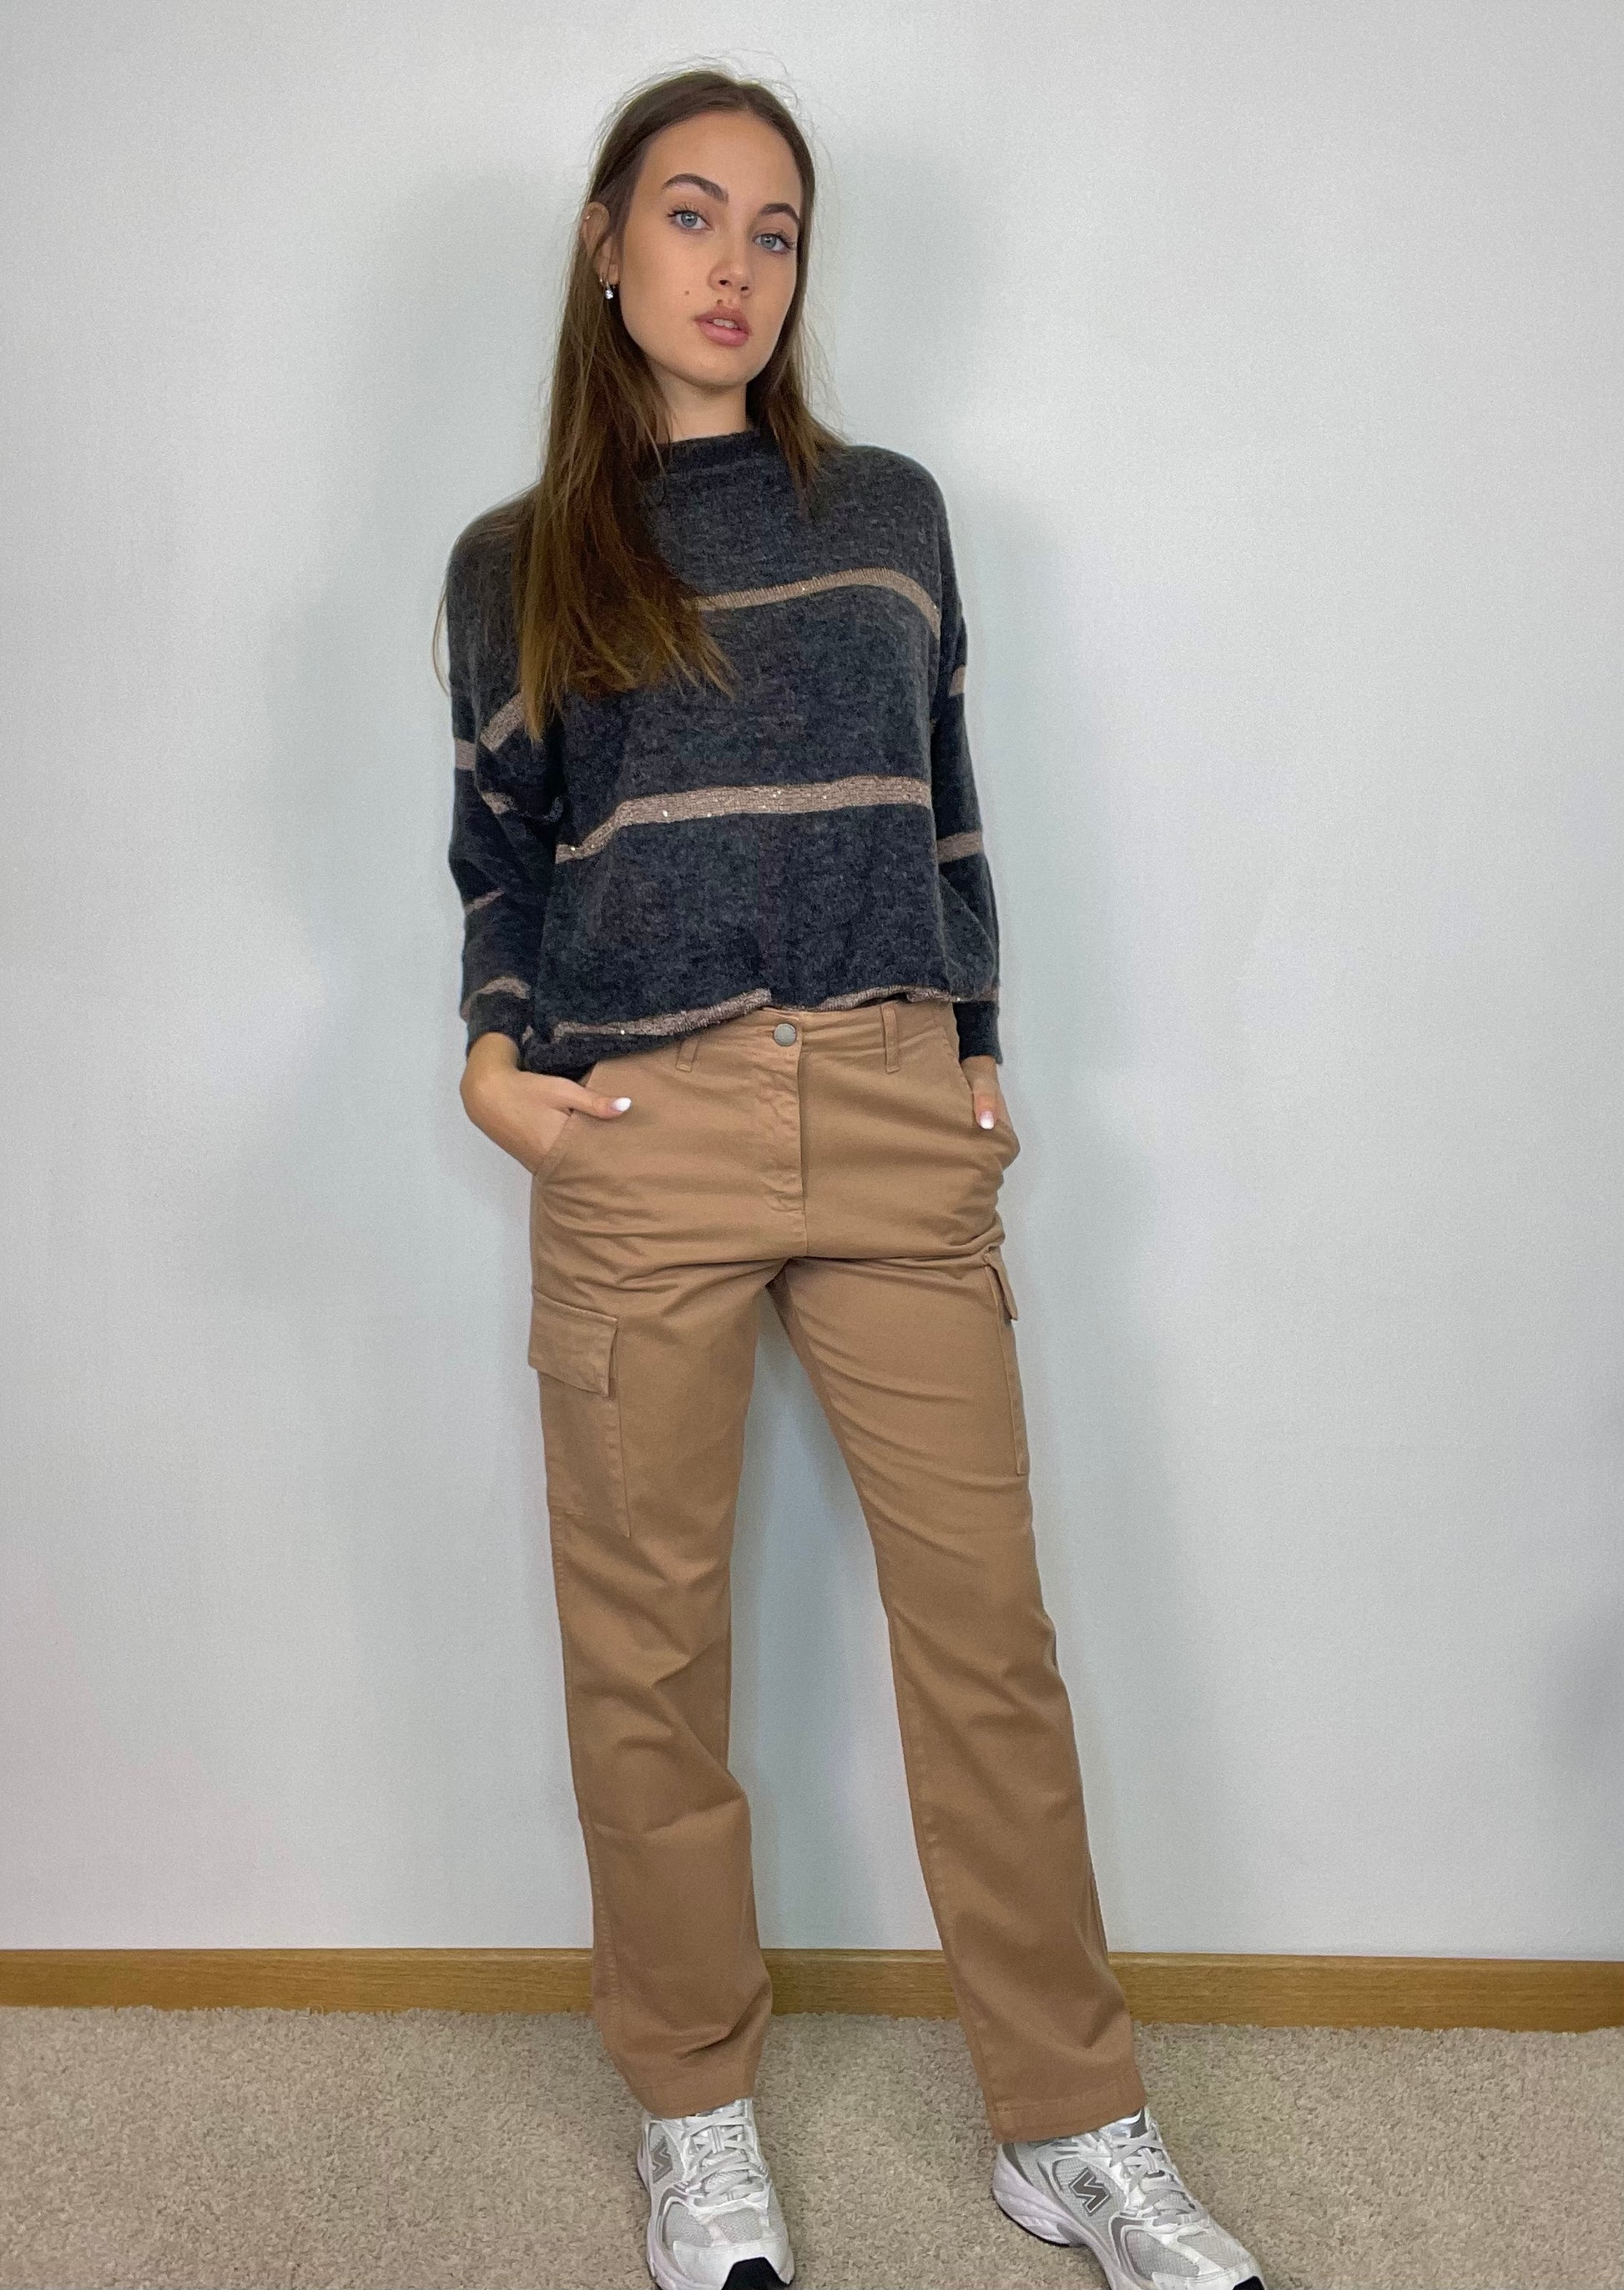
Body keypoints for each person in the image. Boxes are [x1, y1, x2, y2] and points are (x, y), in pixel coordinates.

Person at [436, 64, 1265, 2290]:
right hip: (643, 1126)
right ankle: (693, 2112)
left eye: (776, 229)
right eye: (690, 214)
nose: (734, 265)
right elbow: (500, 857)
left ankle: (1067, 2121)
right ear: (607, 245)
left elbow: (948, 795)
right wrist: (494, 1065)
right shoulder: (516, 561)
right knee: (647, 1658)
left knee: (988, 1643)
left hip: (897, 1107)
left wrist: (976, 1045)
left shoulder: (891, 510)